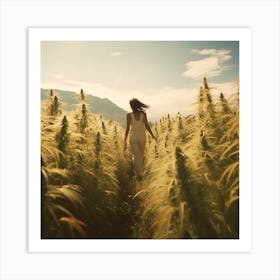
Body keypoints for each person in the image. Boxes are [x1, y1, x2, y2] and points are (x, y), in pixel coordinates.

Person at [124, 98, 156, 180]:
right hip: (142, 137)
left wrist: (125, 140)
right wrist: (152, 135)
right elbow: (147, 125)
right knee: (140, 156)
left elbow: (127, 128)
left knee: (136, 156)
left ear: (131, 106)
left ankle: (138, 174)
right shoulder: (143, 114)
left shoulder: (129, 115)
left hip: (133, 137)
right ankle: (140, 174)